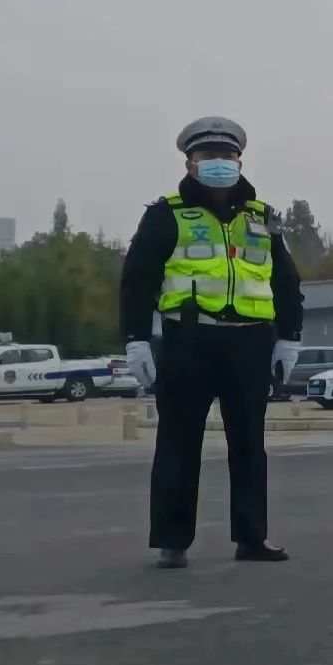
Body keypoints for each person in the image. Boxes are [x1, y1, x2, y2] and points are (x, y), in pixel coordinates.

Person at [119, 116, 305, 568]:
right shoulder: (166, 214)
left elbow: (285, 280)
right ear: (189, 162)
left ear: (240, 160)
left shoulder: (263, 216)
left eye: (227, 155)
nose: (219, 163)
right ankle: (172, 541)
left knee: (249, 444)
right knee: (178, 442)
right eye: (208, 156)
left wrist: (290, 338)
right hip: (189, 340)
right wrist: (136, 339)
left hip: (251, 343)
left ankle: (252, 538)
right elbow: (138, 280)